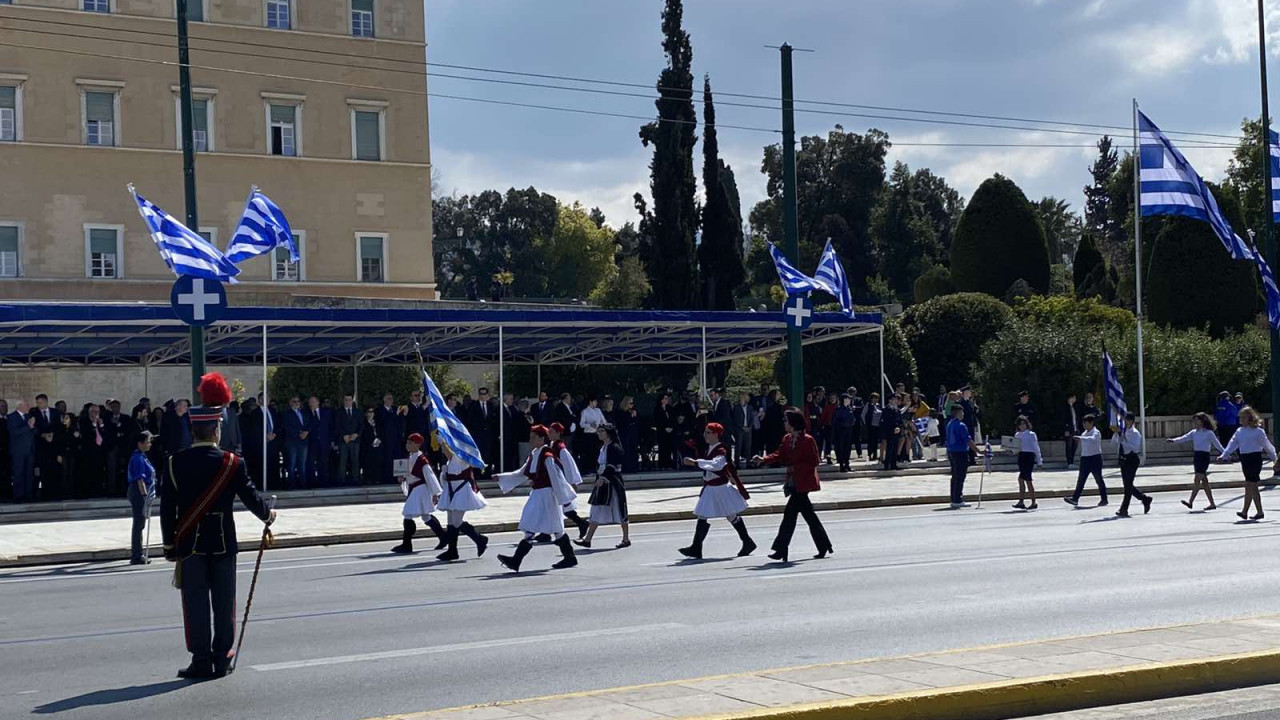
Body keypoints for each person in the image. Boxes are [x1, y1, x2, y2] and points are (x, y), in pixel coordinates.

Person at [160, 373, 275, 680]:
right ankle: (222, 659)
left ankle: (200, 659)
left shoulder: (174, 463)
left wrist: (170, 547)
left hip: (189, 544)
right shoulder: (232, 462)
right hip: (223, 543)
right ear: (216, 430)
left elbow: (167, 508)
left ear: (194, 429)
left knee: (195, 603)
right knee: (224, 604)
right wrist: (268, 516)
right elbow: (250, 496)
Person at [496, 425, 579, 572]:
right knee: (541, 526)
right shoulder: (535, 453)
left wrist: (564, 498)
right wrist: (501, 477)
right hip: (538, 495)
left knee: (548, 527)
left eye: (534, 437)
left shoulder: (547, 455)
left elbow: (556, 477)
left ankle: (517, 560)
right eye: (530, 437)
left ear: (542, 438)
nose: (531, 440)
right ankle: (568, 557)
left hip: (547, 495)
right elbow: (522, 473)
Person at [756, 410, 832, 563]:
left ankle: (781, 548)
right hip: (794, 482)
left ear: (793, 423)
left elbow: (814, 461)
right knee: (809, 516)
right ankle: (823, 545)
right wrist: (764, 459)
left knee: (789, 516)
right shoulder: (787, 439)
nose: (784, 423)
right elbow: (780, 455)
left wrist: (795, 467)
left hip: (803, 482)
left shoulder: (808, 440)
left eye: (786, 421)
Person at [680, 422, 755, 559]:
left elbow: (717, 465)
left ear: (716, 435)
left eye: (708, 432)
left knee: (728, 515)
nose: (705, 435)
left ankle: (747, 542)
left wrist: (696, 462)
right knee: (705, 515)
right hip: (711, 488)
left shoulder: (721, 450)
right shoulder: (710, 448)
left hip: (720, 488)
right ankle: (696, 547)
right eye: (705, 432)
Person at [576, 424, 630, 549]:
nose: (599, 433)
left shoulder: (614, 447)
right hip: (602, 482)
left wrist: (603, 478)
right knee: (596, 509)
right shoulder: (603, 447)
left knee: (619, 508)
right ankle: (588, 539)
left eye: (602, 431)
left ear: (608, 433)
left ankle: (626, 539)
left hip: (613, 482)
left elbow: (612, 466)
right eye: (598, 431)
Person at [390, 433, 446, 554]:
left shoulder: (422, 460)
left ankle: (407, 544)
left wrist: (435, 493)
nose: (407, 445)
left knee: (408, 514)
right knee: (425, 516)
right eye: (407, 443)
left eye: (410, 443)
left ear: (417, 445)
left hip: (420, 489)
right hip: (415, 488)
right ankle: (443, 536)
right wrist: (403, 478)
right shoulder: (411, 457)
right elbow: (410, 474)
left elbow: (429, 476)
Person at [434, 440, 489, 562]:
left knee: (457, 521)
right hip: (451, 491)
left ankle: (479, 539)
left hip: (461, 491)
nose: (443, 451)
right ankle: (452, 550)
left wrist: (444, 443)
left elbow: (452, 458)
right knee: (450, 521)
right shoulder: (451, 461)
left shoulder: (462, 458)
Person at [1220, 406, 1276, 521]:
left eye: (1243, 417)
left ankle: (1246, 511)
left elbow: (1268, 446)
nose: (1241, 420)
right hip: (1245, 459)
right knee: (1252, 486)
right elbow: (1233, 443)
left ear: (1250, 418)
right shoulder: (1239, 431)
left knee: (1250, 484)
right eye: (1240, 417)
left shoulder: (1258, 431)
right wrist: (1224, 454)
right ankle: (1258, 512)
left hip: (1255, 458)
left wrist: (1275, 459)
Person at [1168, 412, 1224, 511]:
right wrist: (1173, 440)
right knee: (1204, 482)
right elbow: (1184, 438)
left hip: (1204, 457)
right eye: (1194, 421)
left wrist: (1225, 454)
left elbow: (1217, 444)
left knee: (1197, 478)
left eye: (1197, 420)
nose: (1195, 423)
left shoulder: (1209, 433)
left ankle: (1190, 502)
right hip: (1197, 456)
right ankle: (1212, 503)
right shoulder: (1194, 432)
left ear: (1203, 421)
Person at [547, 422, 589, 540]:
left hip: (561, 481)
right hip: (554, 480)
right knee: (555, 507)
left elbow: (569, 467)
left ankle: (581, 523)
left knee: (564, 507)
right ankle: (580, 524)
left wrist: (572, 483)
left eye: (551, 432)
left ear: (558, 433)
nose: (549, 434)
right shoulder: (552, 445)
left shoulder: (561, 449)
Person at [1112, 412, 1151, 518]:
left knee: (1128, 486)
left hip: (1132, 459)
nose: (1126, 422)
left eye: (1128, 420)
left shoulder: (1135, 433)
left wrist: (1123, 441)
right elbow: (1114, 442)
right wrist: (1117, 434)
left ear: (1132, 421)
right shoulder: (1123, 432)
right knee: (1127, 485)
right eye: (1125, 420)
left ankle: (1124, 509)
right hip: (1123, 459)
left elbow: (1135, 448)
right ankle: (1144, 499)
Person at [1064, 414, 1108, 507]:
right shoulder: (1084, 433)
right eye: (1083, 423)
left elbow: (1092, 440)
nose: (1084, 425)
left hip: (1095, 458)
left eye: (1086, 423)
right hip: (1085, 459)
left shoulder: (1096, 432)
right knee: (1081, 480)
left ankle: (1104, 499)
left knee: (1098, 479)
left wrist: (1080, 438)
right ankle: (1075, 498)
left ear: (1091, 423)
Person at [128, 431, 157, 565]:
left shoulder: (142, 456)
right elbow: (140, 479)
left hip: (142, 492)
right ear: (140, 443)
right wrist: (145, 496)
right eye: (148, 441)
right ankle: (136, 554)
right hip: (138, 492)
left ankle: (137, 552)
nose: (150, 444)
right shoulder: (137, 458)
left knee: (141, 523)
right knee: (138, 523)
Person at [1011, 415, 1042, 511]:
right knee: (1022, 480)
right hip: (1021, 456)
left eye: (1024, 424)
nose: (1022, 426)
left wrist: (1039, 460)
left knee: (1027, 479)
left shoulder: (1031, 434)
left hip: (1029, 457)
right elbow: (1015, 448)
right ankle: (1022, 501)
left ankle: (1032, 501)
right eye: (1020, 424)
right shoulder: (1017, 435)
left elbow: (1036, 448)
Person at [7, 401, 35, 502]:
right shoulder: (11, 417)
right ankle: (18, 496)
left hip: (29, 450)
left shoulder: (29, 417)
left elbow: (34, 431)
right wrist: (28, 426)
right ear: (19, 406)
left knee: (28, 474)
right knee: (18, 473)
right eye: (26, 405)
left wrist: (32, 427)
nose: (28, 406)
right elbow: (14, 432)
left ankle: (28, 495)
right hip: (18, 451)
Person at [282, 396, 309, 489]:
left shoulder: (304, 413)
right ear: (290, 402)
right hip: (292, 442)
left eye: (298, 401)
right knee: (292, 464)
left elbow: (308, 424)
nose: (297, 403)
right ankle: (291, 484)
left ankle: (302, 484)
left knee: (302, 464)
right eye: (294, 401)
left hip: (303, 442)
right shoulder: (286, 414)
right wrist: (298, 433)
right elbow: (286, 426)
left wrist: (306, 432)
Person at [375, 392, 402, 484]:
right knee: (387, 459)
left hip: (396, 438)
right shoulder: (379, 410)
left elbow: (399, 423)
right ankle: (387, 478)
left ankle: (396, 477)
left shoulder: (395, 409)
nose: (391, 401)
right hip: (385, 439)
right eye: (388, 398)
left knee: (396, 458)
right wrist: (395, 414)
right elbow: (385, 421)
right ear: (384, 399)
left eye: (391, 399)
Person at [305, 396, 332, 487]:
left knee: (323, 462)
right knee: (311, 462)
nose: (311, 404)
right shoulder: (306, 414)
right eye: (310, 402)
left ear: (318, 403)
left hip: (324, 442)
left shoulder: (326, 412)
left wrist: (331, 440)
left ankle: (323, 482)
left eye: (313, 402)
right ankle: (312, 482)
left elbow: (330, 427)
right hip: (312, 442)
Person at [359, 406, 383, 485]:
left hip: (377, 446)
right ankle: (368, 479)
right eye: (369, 412)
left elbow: (381, 432)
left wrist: (379, 439)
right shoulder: (363, 423)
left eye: (372, 412)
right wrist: (371, 441)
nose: (371, 413)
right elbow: (362, 435)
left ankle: (377, 478)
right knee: (368, 463)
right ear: (366, 414)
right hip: (368, 447)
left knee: (377, 462)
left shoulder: (377, 422)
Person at [879, 394, 902, 471]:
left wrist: (899, 427)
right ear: (890, 400)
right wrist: (893, 429)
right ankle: (887, 464)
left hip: (897, 432)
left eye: (896, 399)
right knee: (890, 448)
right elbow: (885, 422)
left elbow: (899, 421)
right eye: (894, 399)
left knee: (895, 448)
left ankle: (893, 464)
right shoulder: (887, 409)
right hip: (890, 432)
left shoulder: (897, 410)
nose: (896, 401)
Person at [833, 394, 856, 472]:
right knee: (841, 448)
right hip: (841, 431)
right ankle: (842, 464)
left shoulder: (849, 408)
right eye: (847, 399)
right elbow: (836, 421)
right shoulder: (839, 409)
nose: (849, 400)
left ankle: (847, 463)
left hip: (849, 430)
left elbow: (853, 418)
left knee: (848, 448)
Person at [1062, 394, 1081, 471]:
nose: (1074, 400)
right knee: (1069, 445)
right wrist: (1065, 429)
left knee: (1075, 445)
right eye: (1073, 398)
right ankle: (1069, 462)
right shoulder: (1065, 407)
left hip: (1075, 429)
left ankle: (1072, 461)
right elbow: (1064, 419)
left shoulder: (1074, 407)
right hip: (1069, 430)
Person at [862, 392, 881, 462]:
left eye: (877, 398)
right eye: (874, 398)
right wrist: (865, 423)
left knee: (876, 441)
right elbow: (863, 415)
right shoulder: (868, 405)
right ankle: (869, 454)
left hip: (878, 426)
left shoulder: (879, 406)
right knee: (871, 441)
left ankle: (875, 454)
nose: (876, 400)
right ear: (871, 399)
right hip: (871, 425)